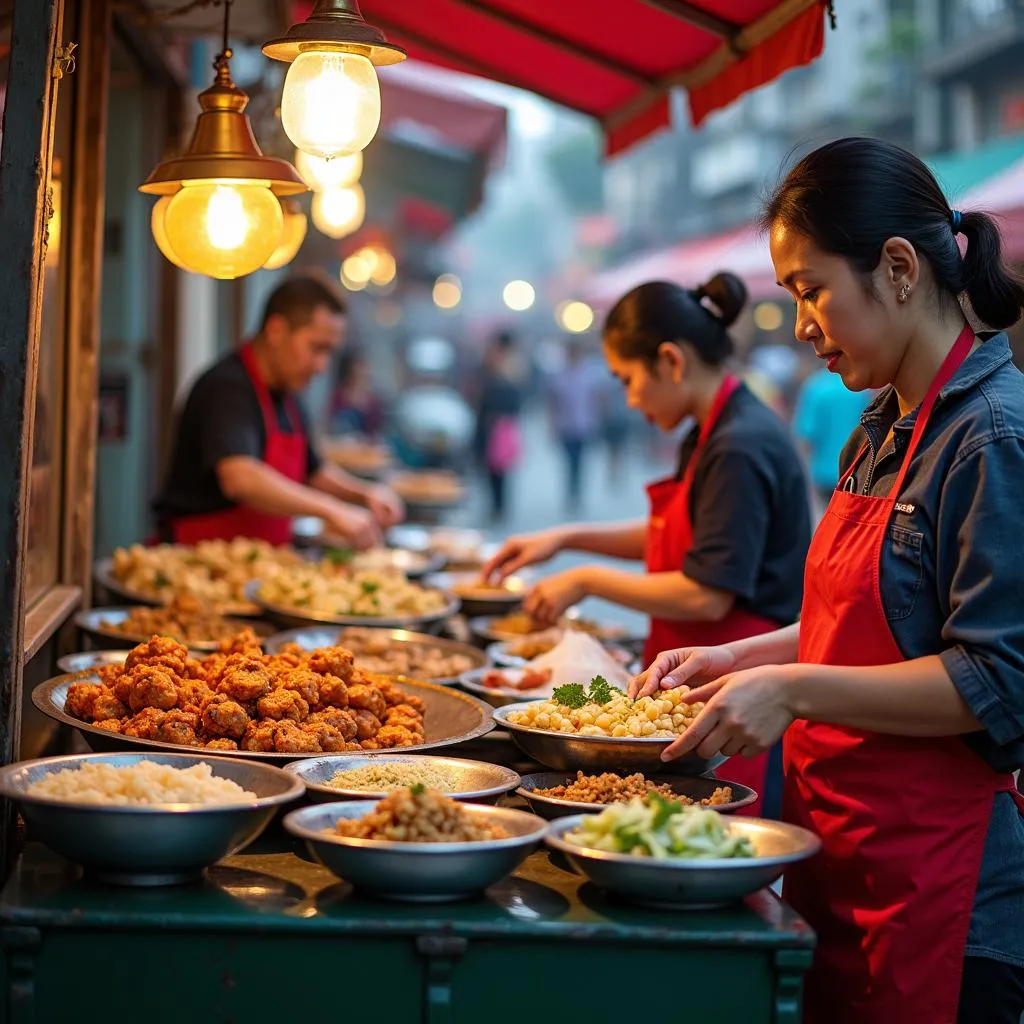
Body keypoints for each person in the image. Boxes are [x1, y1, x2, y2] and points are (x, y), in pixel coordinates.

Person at [632, 137, 1024, 1024]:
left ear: (895, 268)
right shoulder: (877, 426)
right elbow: (864, 625)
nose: (802, 324)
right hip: (837, 856)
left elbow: (998, 680)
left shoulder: (993, 437)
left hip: (942, 894)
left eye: (811, 290)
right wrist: (735, 658)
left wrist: (793, 687)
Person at [483, 274, 812, 818]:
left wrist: (584, 578)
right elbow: (681, 537)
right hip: (694, 680)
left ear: (671, 361)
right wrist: (566, 538)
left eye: (628, 378)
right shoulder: (707, 430)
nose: (630, 399)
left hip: (730, 690)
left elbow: (707, 594)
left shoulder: (740, 444)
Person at [154, 274, 404, 548]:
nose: (322, 366)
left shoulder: (288, 395)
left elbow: (314, 472)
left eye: (330, 353)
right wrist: (332, 510)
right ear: (276, 331)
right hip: (198, 561)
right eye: (316, 348)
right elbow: (240, 478)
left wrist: (365, 494)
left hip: (263, 562)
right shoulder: (226, 387)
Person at [792, 362, 872, 509]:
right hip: (856, 472)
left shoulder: (815, 387)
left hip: (824, 473)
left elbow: (807, 433)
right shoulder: (859, 388)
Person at [545, 338, 605, 514]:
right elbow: (552, 402)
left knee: (580, 462)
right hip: (566, 426)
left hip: (584, 425)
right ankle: (570, 493)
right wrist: (552, 425)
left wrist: (598, 418)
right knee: (569, 462)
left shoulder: (589, 374)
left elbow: (598, 397)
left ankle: (577, 493)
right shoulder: (559, 375)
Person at [472, 330, 525, 524]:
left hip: (500, 428)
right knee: (488, 469)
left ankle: (499, 506)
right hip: (487, 426)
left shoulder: (512, 368)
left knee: (499, 470)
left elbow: (516, 399)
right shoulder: (488, 366)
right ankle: (495, 505)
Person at [330, 350, 384, 438]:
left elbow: (377, 431)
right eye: (359, 366)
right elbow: (330, 422)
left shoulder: (374, 401)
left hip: (366, 448)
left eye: (365, 366)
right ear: (351, 368)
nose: (363, 371)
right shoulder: (339, 395)